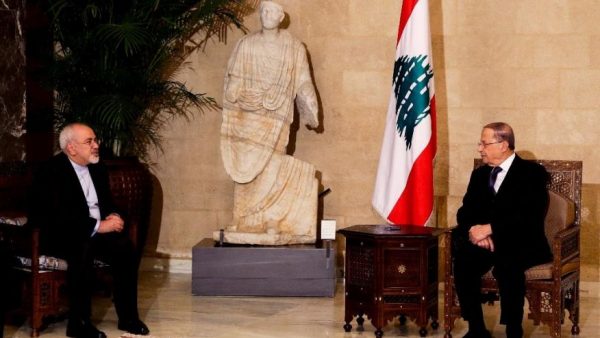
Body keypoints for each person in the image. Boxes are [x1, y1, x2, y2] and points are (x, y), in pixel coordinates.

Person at [28, 123, 149, 338]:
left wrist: (115, 215)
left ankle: (128, 318)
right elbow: (58, 216)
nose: (96, 145)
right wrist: (98, 226)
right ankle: (79, 323)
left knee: (125, 247)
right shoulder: (51, 171)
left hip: (92, 232)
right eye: (89, 141)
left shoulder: (97, 168)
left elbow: (106, 203)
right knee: (82, 246)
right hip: (61, 235)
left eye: (95, 140)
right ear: (71, 148)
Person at [218, 0, 319, 245]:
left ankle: (271, 219)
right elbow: (234, 76)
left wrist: (309, 103)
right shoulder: (246, 44)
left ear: (281, 17)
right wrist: (233, 90)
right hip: (248, 113)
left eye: (272, 11)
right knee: (244, 164)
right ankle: (241, 218)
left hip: (276, 116)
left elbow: (303, 80)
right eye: (263, 10)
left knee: (273, 162)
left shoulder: (294, 47)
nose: (267, 15)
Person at [452, 122, 552, 338]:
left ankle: (513, 328)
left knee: (508, 264)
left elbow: (529, 216)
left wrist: (490, 228)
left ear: (503, 145)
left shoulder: (532, 173)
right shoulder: (479, 175)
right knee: (463, 260)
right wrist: (474, 231)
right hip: (485, 243)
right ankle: (476, 329)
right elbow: (465, 212)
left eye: (484, 143)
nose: (480, 148)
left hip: (523, 241)